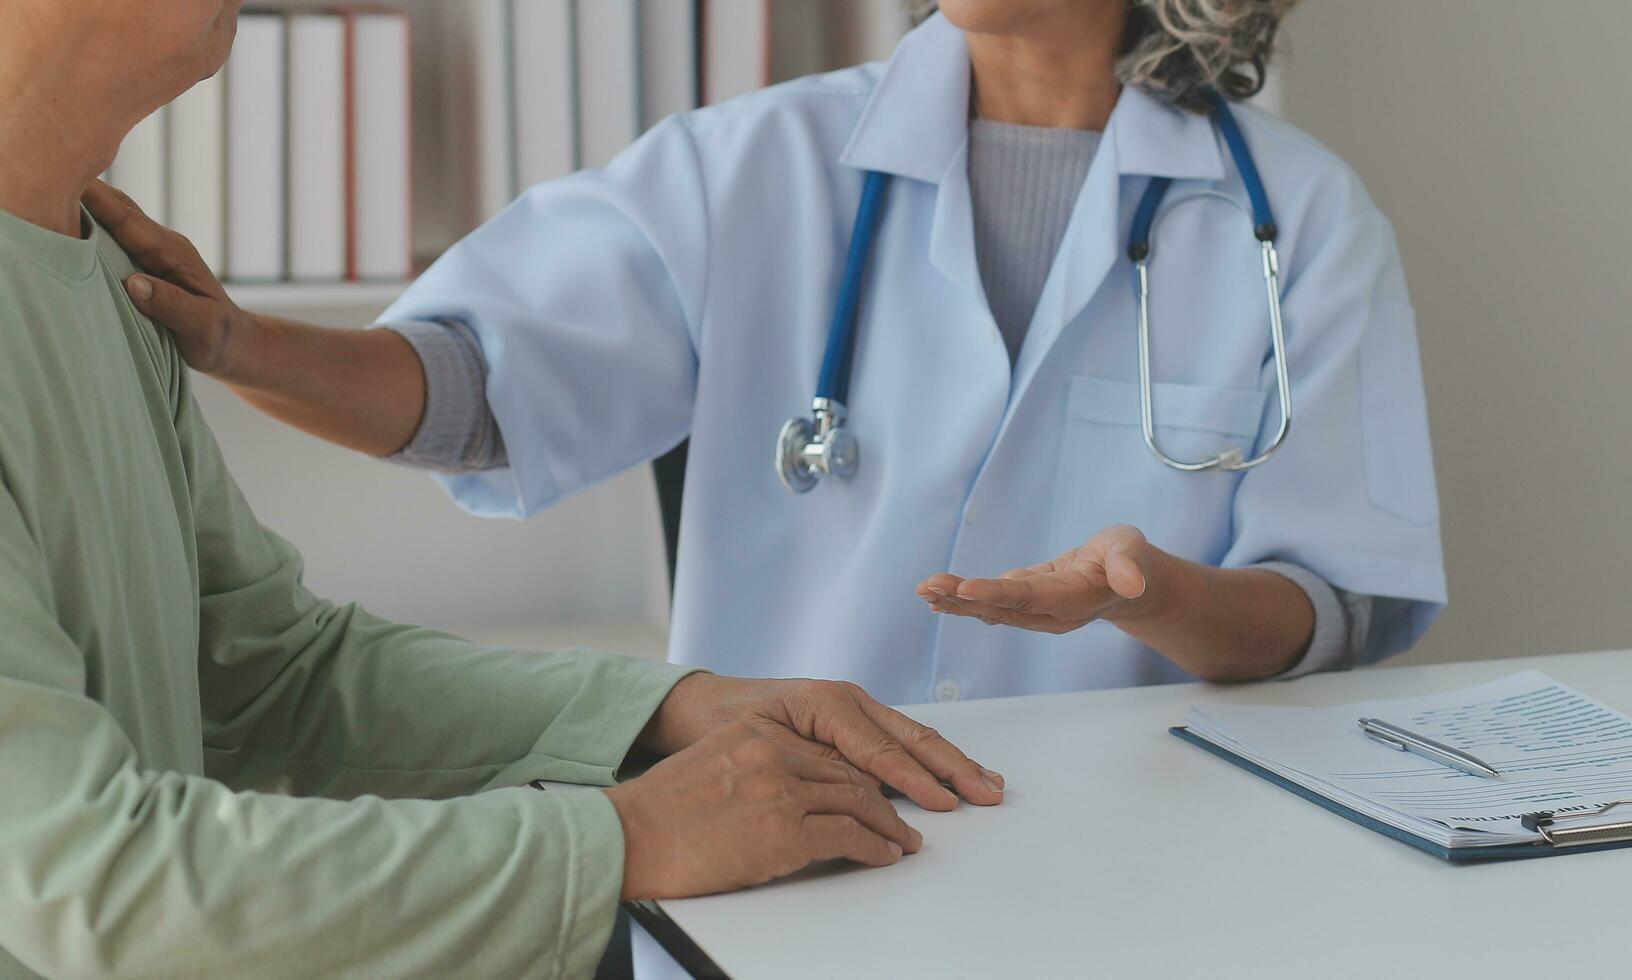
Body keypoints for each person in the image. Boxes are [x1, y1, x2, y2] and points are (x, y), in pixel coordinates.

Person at [0, 2, 1003, 976]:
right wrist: (622, 837)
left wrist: (668, 707)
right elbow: (91, 880)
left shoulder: (104, 278)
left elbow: (272, 679)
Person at [109, 0, 1448, 706]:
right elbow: (472, 391)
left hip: (1141, 879)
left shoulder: (1300, 217)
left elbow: (1329, 611)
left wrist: (1150, 593)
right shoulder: (753, 167)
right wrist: (241, 345)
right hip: (798, 856)